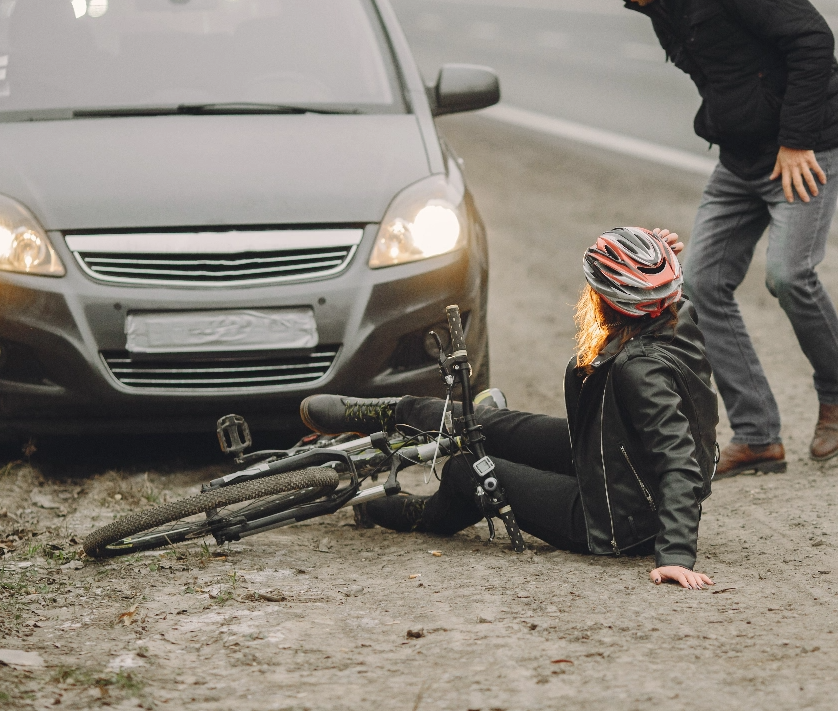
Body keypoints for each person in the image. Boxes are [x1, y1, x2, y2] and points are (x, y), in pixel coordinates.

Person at [592, 0, 838, 477]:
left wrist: (795, 139)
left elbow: (812, 39)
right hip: (742, 158)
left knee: (789, 275)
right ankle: (759, 435)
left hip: (803, 148)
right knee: (700, 283)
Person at [299, 227, 720, 589]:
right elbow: (659, 293)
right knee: (483, 423)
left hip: (614, 517)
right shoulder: (678, 315)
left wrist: (676, 555)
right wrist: (650, 264)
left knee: (469, 469)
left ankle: (416, 513)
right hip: (609, 454)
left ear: (608, 301)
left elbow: (679, 460)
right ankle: (387, 412)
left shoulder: (640, 371)